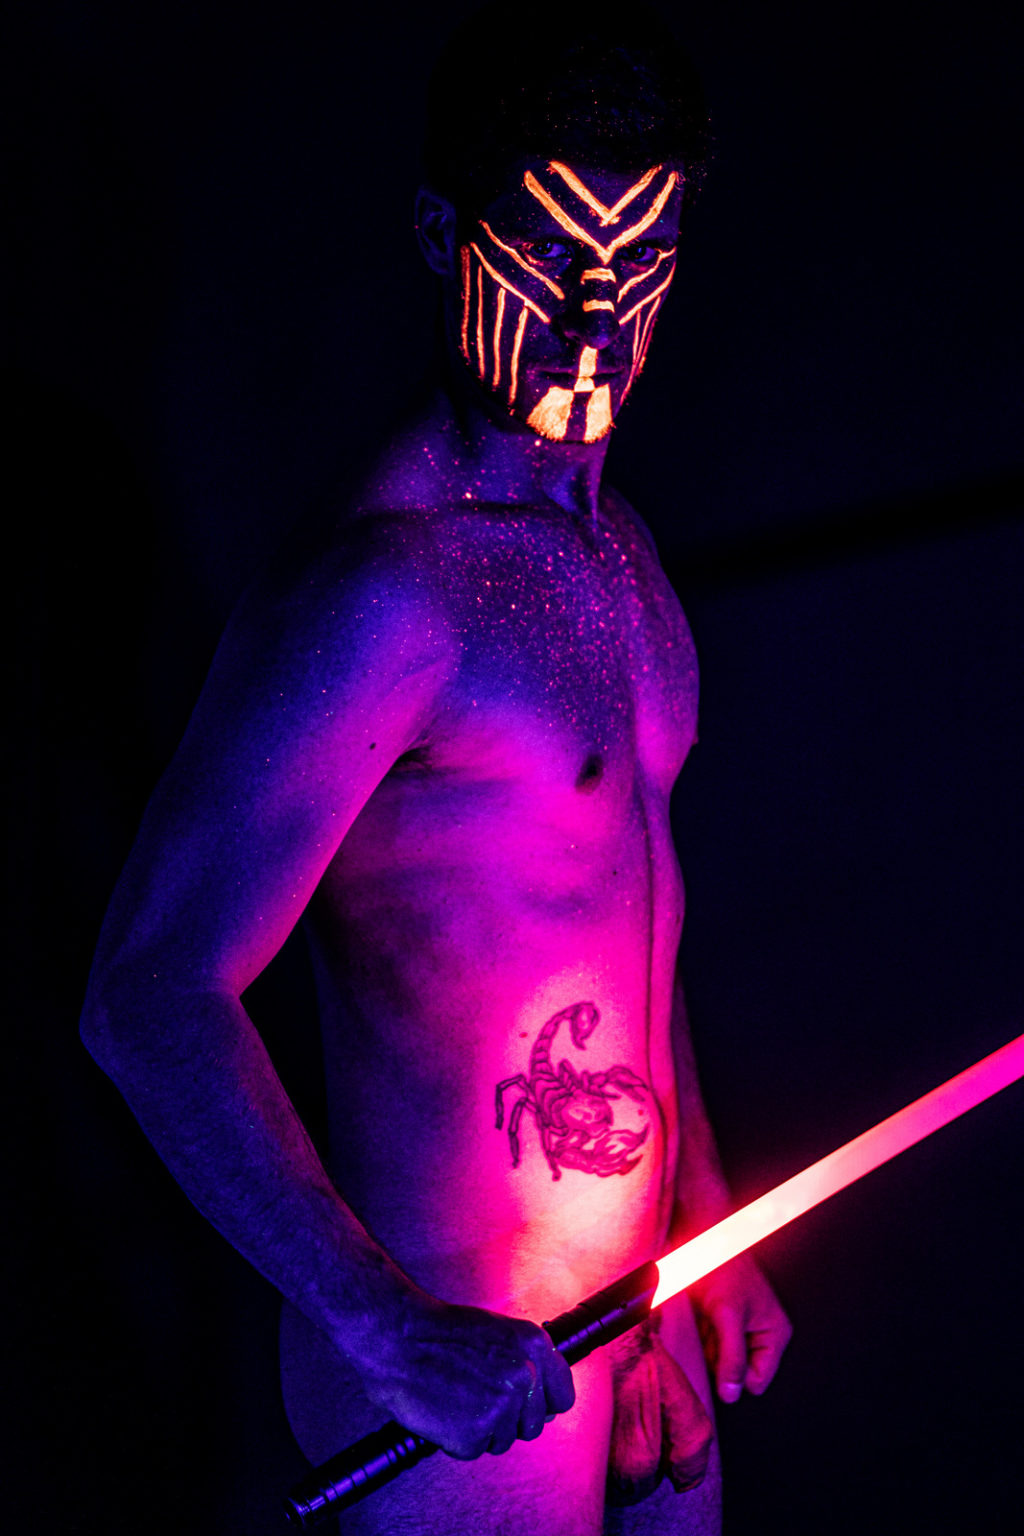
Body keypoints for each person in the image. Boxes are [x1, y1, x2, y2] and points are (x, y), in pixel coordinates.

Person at [80, 7, 791, 1532]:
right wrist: (382, 1325)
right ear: (440, 235)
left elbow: (622, 919)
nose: (595, 316)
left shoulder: (622, 563)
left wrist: (706, 1210)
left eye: (640, 263)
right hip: (457, 1370)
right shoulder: (387, 594)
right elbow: (146, 992)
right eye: (549, 256)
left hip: (646, 1328)